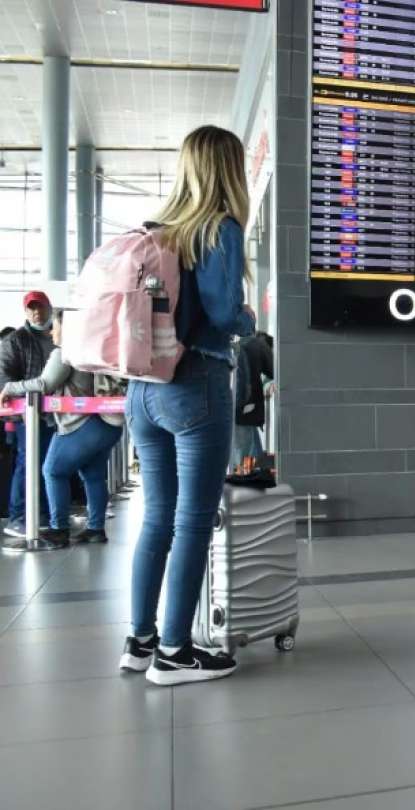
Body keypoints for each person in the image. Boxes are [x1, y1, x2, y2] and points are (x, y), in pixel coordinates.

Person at [119, 125, 256, 685]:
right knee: (194, 521)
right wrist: (249, 321)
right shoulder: (217, 228)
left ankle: (140, 639)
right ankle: (174, 652)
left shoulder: (159, 230)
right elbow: (225, 316)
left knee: (157, 518)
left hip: (142, 392)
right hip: (195, 384)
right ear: (230, 170)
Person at [1, 310, 124, 547]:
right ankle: (95, 529)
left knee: (53, 471)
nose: (51, 331)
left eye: (55, 327)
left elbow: (44, 383)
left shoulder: (65, 353)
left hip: (78, 424)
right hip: (105, 424)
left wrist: (10, 388)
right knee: (93, 476)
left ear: (67, 330)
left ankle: (59, 529)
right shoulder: (90, 350)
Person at [0, 291, 55, 538]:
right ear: (25, 311)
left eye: (40, 306)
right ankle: (18, 517)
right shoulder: (15, 340)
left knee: (47, 464)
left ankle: (40, 513)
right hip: (28, 415)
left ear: (48, 308)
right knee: (27, 462)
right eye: (31, 308)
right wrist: (21, 406)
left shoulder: (60, 336)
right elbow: (4, 376)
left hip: (56, 415)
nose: (36, 311)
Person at [230, 331, 273, 471]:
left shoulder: (230, 345)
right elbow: (276, 371)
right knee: (243, 461)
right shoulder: (258, 344)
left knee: (251, 455)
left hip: (228, 409)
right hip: (245, 411)